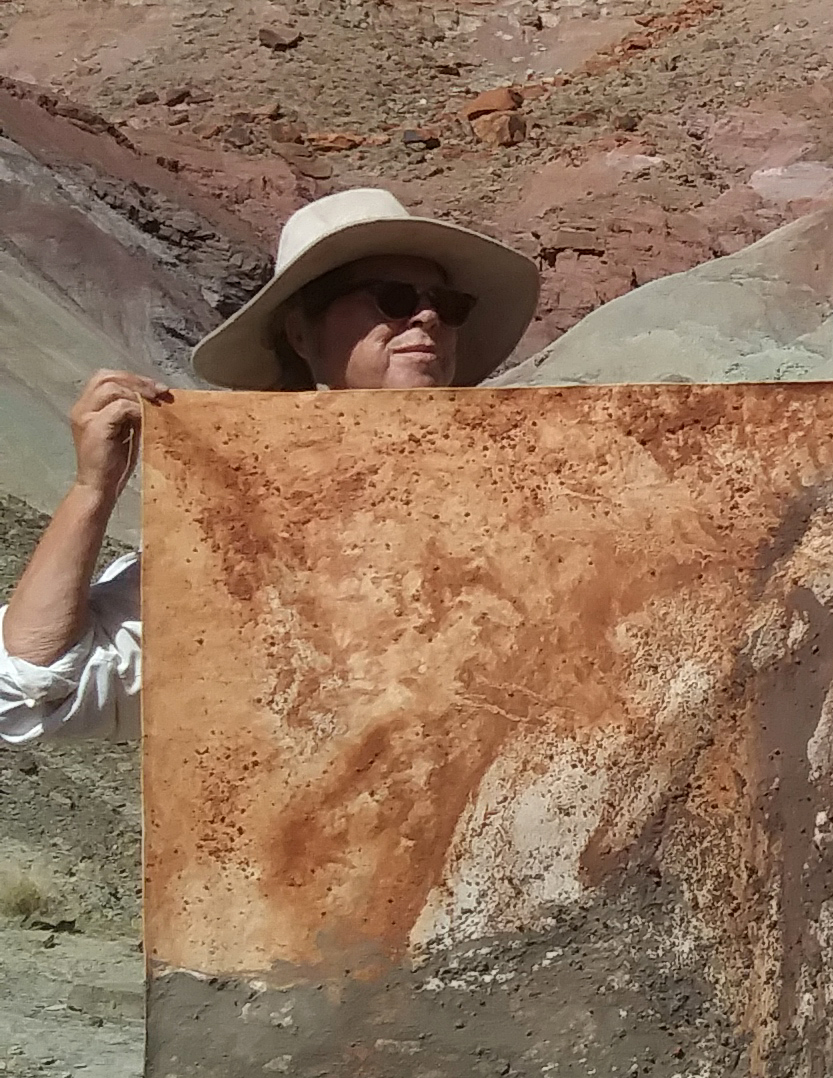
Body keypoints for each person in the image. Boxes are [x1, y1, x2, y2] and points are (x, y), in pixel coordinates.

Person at [0, 186, 542, 749]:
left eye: (447, 306)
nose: (427, 316)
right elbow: (26, 689)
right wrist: (93, 491)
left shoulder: (542, 491)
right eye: (394, 298)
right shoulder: (239, 540)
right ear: (301, 332)